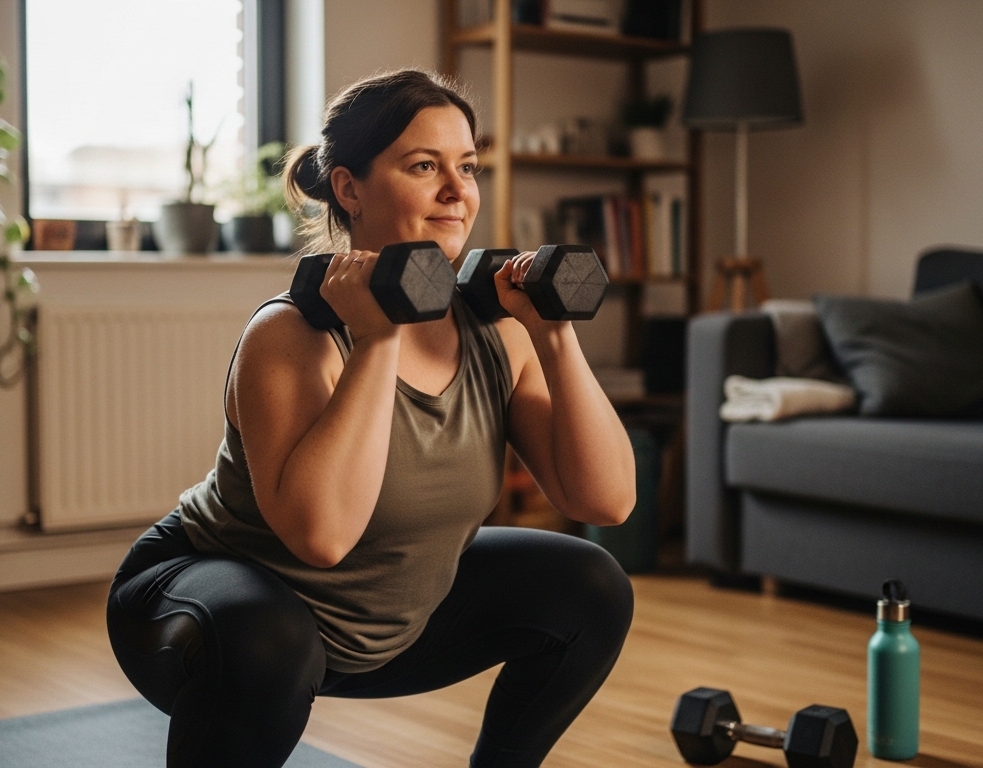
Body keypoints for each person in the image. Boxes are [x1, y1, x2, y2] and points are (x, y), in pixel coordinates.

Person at [107, 68, 637, 768]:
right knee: (271, 641)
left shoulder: (498, 329)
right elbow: (322, 538)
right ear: (350, 188)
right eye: (425, 166)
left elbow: (604, 499)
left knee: (590, 587)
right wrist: (380, 338)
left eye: (468, 167)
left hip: (379, 627)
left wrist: (553, 334)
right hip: (201, 614)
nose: (458, 191)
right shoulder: (293, 334)